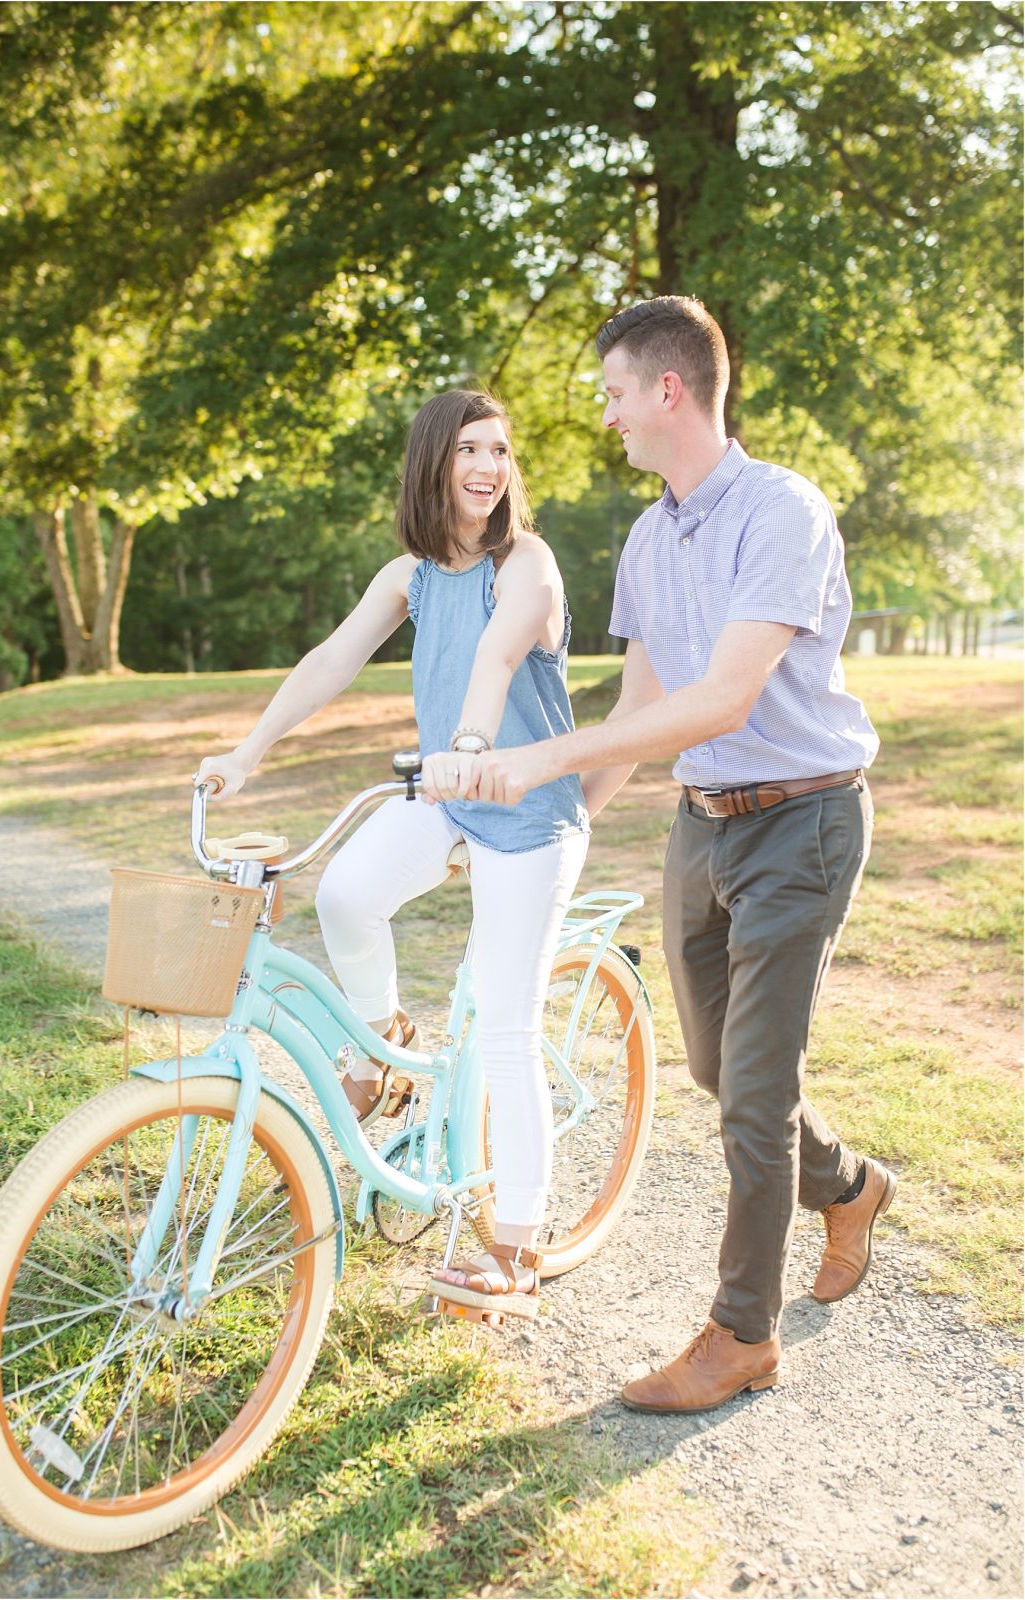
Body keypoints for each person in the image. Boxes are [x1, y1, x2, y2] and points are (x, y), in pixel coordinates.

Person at [466, 295, 895, 1411]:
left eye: (612, 394)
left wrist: (542, 752)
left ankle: (738, 1334)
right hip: (700, 829)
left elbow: (722, 696)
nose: (605, 417)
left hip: (801, 821)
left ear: (665, 390)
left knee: (751, 1094)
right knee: (715, 1069)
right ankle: (846, 1186)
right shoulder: (649, 539)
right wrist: (557, 809)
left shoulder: (782, 511)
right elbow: (647, 699)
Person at [195, 388, 589, 1324]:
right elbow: (332, 659)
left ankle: (517, 1249)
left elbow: (495, 658)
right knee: (344, 892)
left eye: (499, 451)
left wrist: (472, 745)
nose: (489, 469)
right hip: (448, 795)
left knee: (503, 1025)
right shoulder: (411, 573)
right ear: (431, 465)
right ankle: (385, 1042)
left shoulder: (526, 561)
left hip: (524, 809)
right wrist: (247, 753)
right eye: (468, 452)